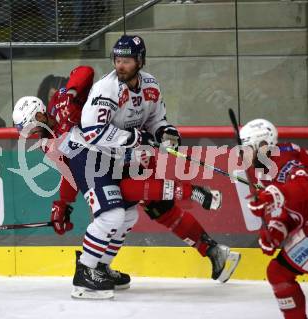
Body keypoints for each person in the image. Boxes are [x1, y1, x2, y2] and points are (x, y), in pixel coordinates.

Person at [61, 35, 240, 299]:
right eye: (117, 60)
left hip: (117, 157)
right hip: (88, 155)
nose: (120, 66)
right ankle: (84, 275)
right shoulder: (106, 90)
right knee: (111, 216)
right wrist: (136, 139)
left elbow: (156, 119)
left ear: (140, 61)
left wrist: (166, 132)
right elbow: (93, 133)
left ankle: (101, 266)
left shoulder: (151, 86)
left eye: (127, 60)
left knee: (128, 215)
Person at [240, 118, 308, 319]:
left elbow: (306, 187)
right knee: (278, 272)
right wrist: (274, 231)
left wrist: (270, 196)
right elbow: (294, 210)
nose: (245, 155)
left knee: (278, 273)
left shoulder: (284, 156)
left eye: (248, 148)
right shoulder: (268, 169)